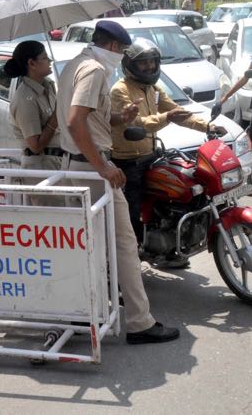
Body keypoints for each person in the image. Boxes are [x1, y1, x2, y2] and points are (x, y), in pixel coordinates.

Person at [55, 19, 179, 345]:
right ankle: (139, 322)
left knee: (91, 246)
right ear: (113, 47)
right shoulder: (95, 69)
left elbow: (88, 115)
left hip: (78, 165)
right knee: (124, 245)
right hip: (92, 168)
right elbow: (74, 120)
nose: (121, 56)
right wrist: (103, 167)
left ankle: (83, 310)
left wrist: (120, 118)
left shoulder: (75, 64)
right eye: (122, 51)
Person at [110, 38, 226, 248]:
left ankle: (173, 246)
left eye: (152, 61)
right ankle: (131, 253)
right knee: (130, 215)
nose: (150, 66)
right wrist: (166, 117)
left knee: (182, 192)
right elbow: (137, 124)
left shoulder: (153, 88)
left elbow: (177, 113)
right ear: (130, 65)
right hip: (129, 163)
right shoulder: (121, 90)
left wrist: (207, 126)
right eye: (143, 62)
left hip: (152, 156)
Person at [4, 40, 63, 206]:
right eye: (45, 57)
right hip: (41, 166)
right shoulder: (25, 98)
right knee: (53, 222)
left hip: (58, 162)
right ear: (32, 63)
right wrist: (56, 117)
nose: (50, 60)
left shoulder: (49, 86)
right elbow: (35, 146)